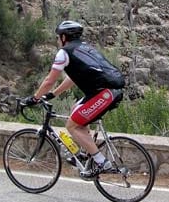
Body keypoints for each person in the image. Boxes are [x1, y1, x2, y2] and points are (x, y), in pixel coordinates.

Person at [22, 20, 125, 179]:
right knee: (75, 110)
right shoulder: (84, 48)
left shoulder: (64, 53)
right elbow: (72, 78)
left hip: (104, 93)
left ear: (64, 37)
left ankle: (101, 162)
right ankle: (85, 154)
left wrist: (34, 98)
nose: (57, 40)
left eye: (58, 37)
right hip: (105, 91)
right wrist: (53, 94)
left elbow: (49, 80)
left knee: (72, 126)